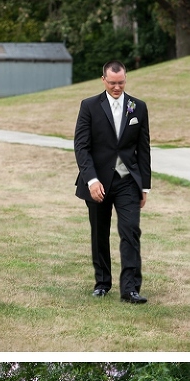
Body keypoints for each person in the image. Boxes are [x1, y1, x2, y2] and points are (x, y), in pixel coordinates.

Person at [74, 60, 150, 304]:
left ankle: (130, 289)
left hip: (128, 181)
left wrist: (144, 186)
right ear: (103, 79)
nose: (117, 87)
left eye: (121, 83)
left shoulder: (138, 107)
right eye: (112, 83)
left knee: (130, 232)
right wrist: (91, 180)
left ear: (125, 79)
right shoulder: (89, 106)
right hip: (98, 181)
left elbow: (143, 149)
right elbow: (81, 147)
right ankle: (102, 283)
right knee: (100, 233)